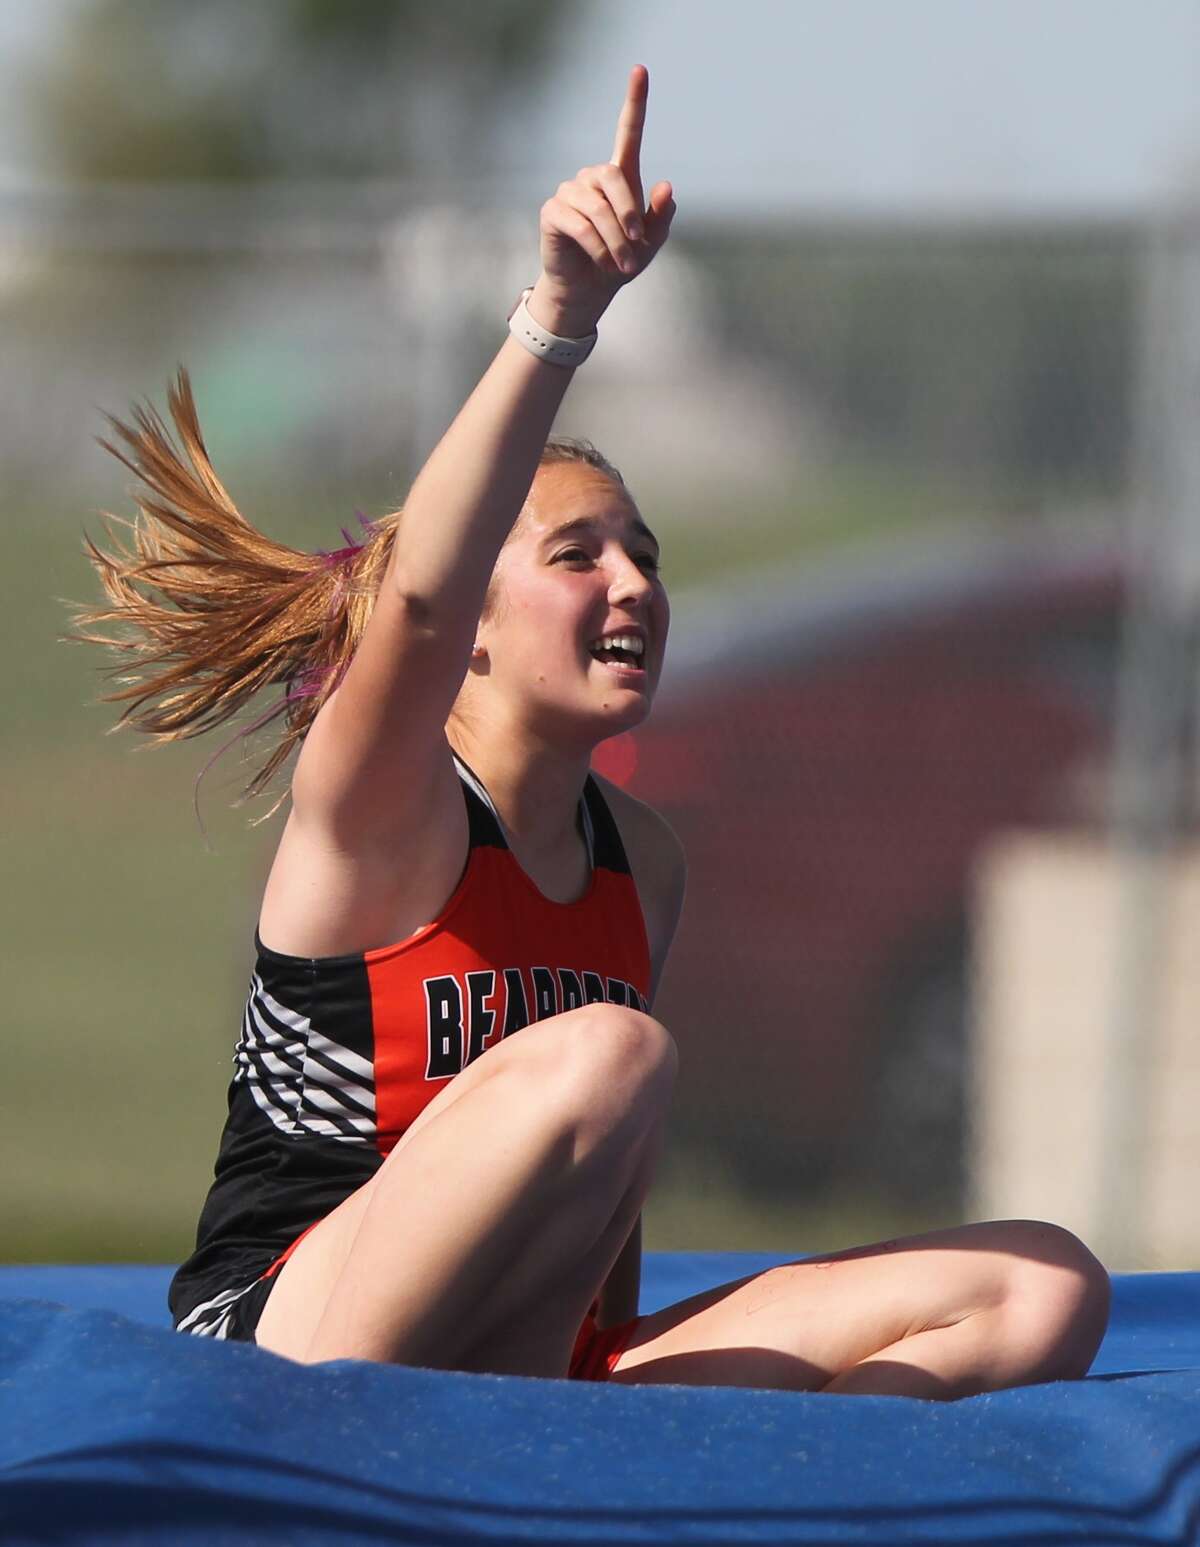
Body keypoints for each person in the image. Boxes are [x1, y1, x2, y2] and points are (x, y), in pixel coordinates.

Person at [78, 66, 1109, 1396]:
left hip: (534, 1362)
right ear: (479, 637)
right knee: (611, 1055)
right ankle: (492, 1447)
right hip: (288, 1346)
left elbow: (596, 1215)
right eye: (580, 554)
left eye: (646, 553)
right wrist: (561, 313)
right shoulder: (385, 802)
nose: (634, 583)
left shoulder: (643, 864)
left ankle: (686, 1483)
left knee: (1040, 1287)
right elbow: (426, 594)